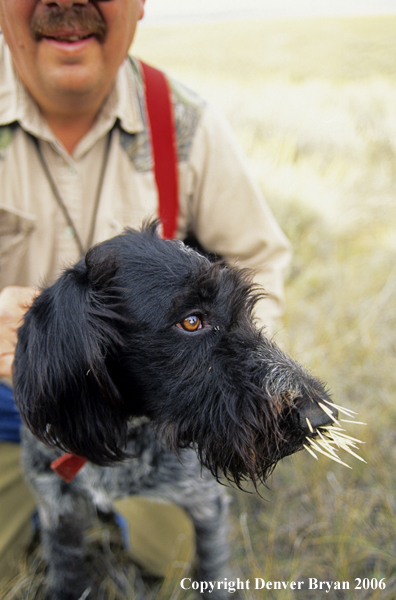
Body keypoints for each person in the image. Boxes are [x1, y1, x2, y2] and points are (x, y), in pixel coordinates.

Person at [0, 0, 291, 584]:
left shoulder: (186, 123)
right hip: (10, 405)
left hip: (157, 412)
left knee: (174, 560)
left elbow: (257, 263)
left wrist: (229, 371)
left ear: (138, 7)